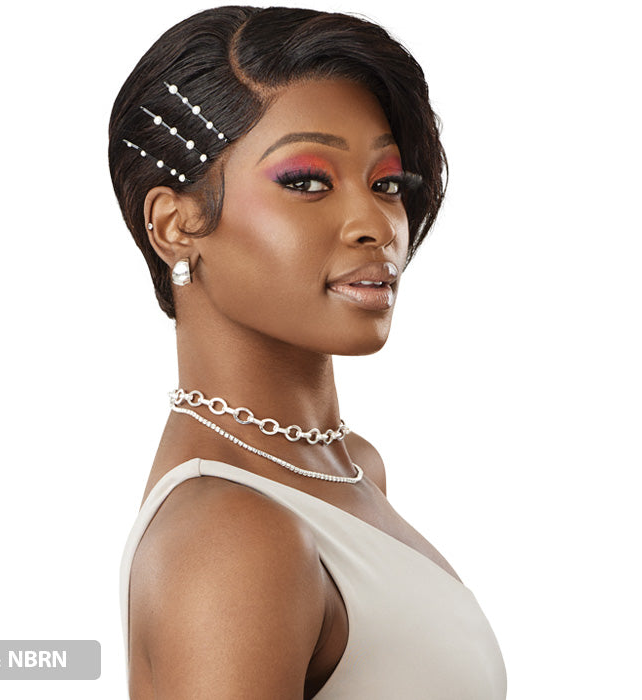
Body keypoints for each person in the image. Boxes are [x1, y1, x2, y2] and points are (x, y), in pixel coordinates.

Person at [109, 6, 507, 699]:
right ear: (176, 225)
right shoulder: (231, 534)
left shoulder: (352, 472)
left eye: (386, 183)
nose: (375, 224)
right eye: (307, 182)